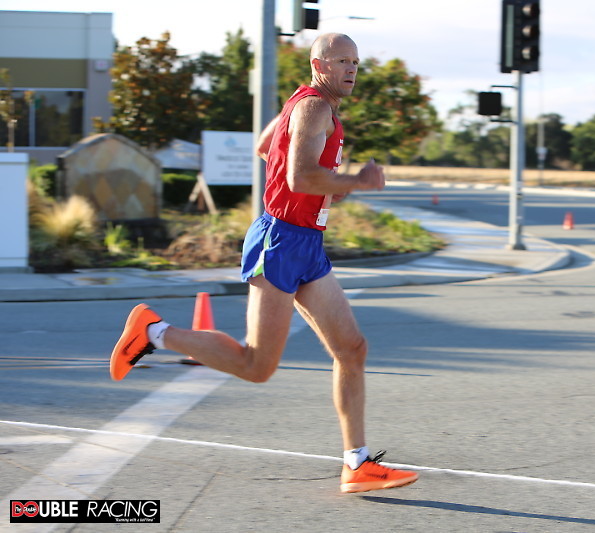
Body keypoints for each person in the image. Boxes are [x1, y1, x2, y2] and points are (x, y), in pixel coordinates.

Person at [110, 33, 418, 494]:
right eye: (341, 60)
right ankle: (153, 332)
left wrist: (327, 182)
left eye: (355, 61)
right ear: (319, 64)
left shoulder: (306, 105)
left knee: (352, 349)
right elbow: (300, 176)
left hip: (306, 244)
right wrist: (356, 181)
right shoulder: (314, 106)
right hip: (281, 242)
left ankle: (357, 464)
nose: (352, 68)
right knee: (257, 365)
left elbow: (264, 147)